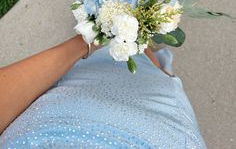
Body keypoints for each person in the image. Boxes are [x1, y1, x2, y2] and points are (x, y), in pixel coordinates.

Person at [0, 35, 206, 148]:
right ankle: (143, 48)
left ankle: (139, 43)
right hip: (155, 128)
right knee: (154, 80)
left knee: (118, 63)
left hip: (60, 109)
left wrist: (90, 37)